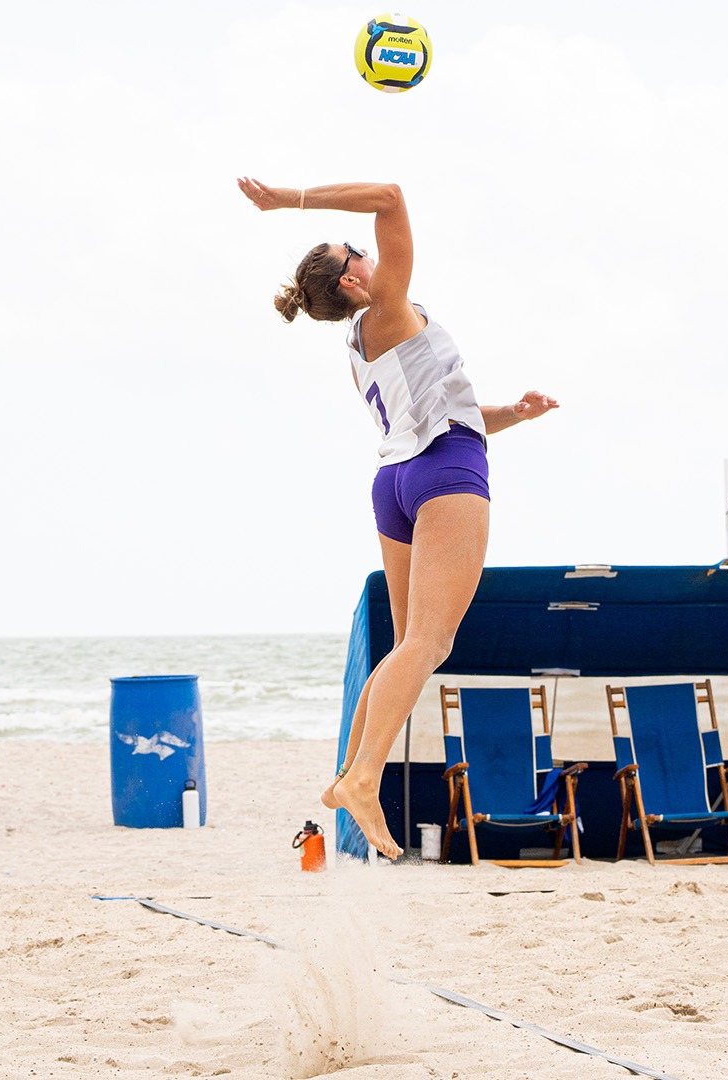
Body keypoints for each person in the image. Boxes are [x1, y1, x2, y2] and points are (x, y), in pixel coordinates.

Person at [237, 176, 559, 859]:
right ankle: (363, 779)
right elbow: (389, 195)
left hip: (399, 481)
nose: (367, 250)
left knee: (408, 644)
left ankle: (346, 774)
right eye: (355, 250)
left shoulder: (362, 342)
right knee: (430, 644)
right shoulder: (386, 305)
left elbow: (447, 412)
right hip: (444, 472)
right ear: (353, 281)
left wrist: (513, 414)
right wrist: (288, 200)